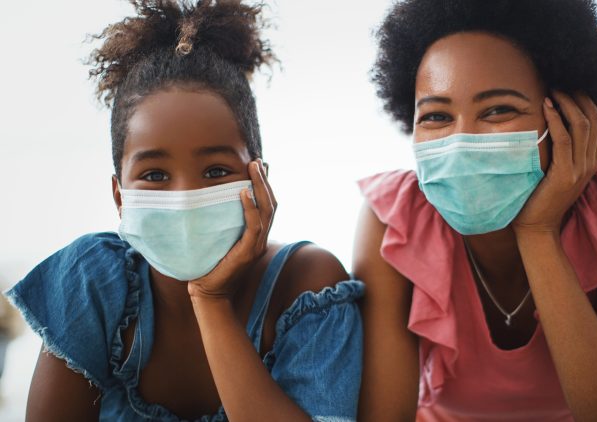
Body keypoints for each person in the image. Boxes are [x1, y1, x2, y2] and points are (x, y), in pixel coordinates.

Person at [5, 1, 363, 421]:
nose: (185, 197)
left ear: (259, 180)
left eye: (215, 170)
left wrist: (210, 300)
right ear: (120, 197)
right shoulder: (94, 282)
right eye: (155, 176)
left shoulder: (305, 283)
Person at [354, 0, 597, 420]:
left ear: (569, 115)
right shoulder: (391, 220)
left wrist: (539, 233)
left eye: (498, 110)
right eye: (436, 116)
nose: (462, 140)